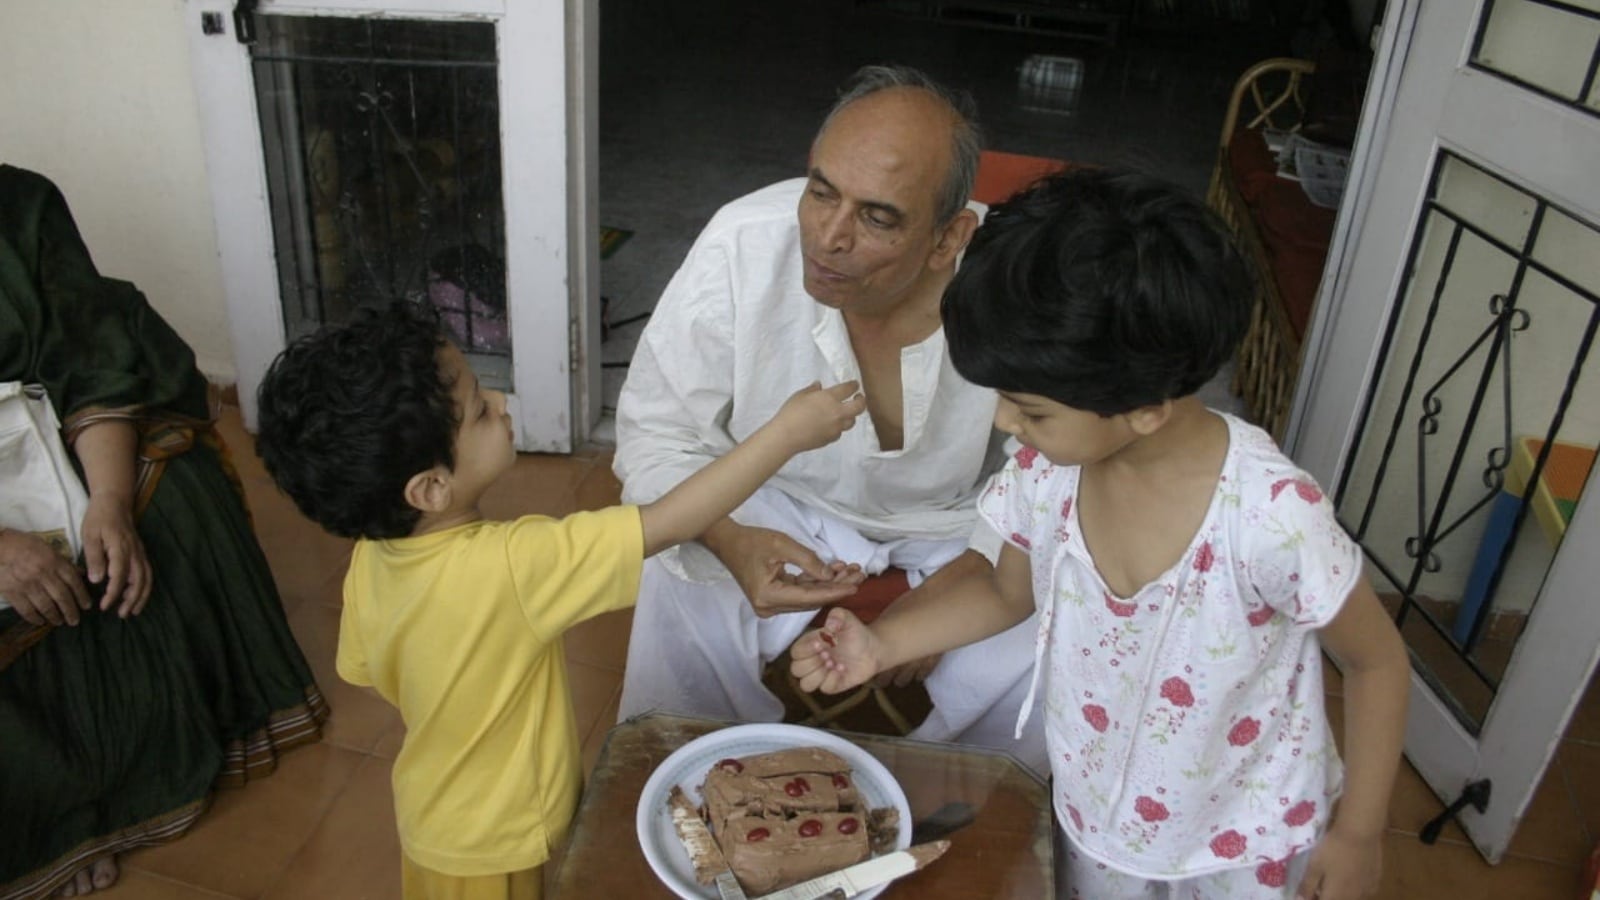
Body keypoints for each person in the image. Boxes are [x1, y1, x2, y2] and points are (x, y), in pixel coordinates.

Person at [792, 168, 1410, 900]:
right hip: (1098, 822)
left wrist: (1361, 833)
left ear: (1146, 407)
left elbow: (1375, 664)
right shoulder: (1047, 474)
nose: (1004, 423)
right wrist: (884, 643)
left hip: (1246, 843)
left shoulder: (1269, 517)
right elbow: (1004, 590)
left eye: (1031, 410)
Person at [253, 301, 863, 900]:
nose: (502, 403)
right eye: (478, 412)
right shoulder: (513, 567)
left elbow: (367, 669)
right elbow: (668, 522)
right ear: (431, 488)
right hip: (499, 839)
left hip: (432, 812)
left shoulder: (370, 555)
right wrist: (785, 434)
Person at [612, 64, 1046, 770]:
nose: (828, 237)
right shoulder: (744, 243)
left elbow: (1062, 470)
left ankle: (970, 830)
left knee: (1061, 633)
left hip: (957, 525)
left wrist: (964, 579)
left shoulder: (1017, 283)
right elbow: (656, 432)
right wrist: (728, 537)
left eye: (877, 216)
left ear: (949, 237)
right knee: (678, 568)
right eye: (821, 192)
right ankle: (682, 786)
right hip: (778, 501)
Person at [0, 165, 328, 899]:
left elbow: (93, 357)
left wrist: (109, 501)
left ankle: (132, 775)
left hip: (39, 444)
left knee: (170, 495)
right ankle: (49, 822)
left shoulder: (19, 204)